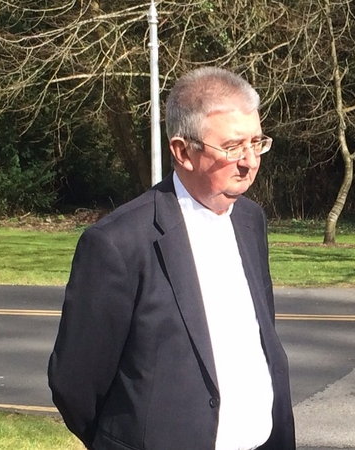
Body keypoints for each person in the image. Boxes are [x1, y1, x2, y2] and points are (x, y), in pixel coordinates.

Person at [48, 67, 295, 450]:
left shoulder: (251, 221)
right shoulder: (117, 244)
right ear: (182, 152)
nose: (250, 161)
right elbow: (75, 384)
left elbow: (261, 339)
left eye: (256, 142)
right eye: (232, 148)